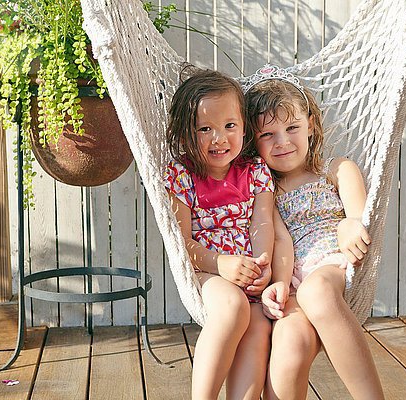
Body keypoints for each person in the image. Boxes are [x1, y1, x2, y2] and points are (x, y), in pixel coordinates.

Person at [242, 65, 385, 400]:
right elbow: (279, 239)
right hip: (291, 283)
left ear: (311, 125)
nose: (282, 142)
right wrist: (278, 282)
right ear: (253, 142)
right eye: (267, 135)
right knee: (289, 346)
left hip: (332, 268)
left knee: (316, 292)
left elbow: (360, 217)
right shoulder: (263, 192)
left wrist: (349, 224)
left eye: (292, 127)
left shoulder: (336, 169)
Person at [164, 68, 275, 399]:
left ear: (244, 127)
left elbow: (263, 221)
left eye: (229, 126)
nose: (219, 138)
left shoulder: (255, 172)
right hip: (207, 272)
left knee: (258, 327)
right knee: (231, 307)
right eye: (205, 129)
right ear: (185, 135)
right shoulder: (182, 176)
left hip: (249, 271)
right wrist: (220, 264)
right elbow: (181, 243)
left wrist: (263, 262)